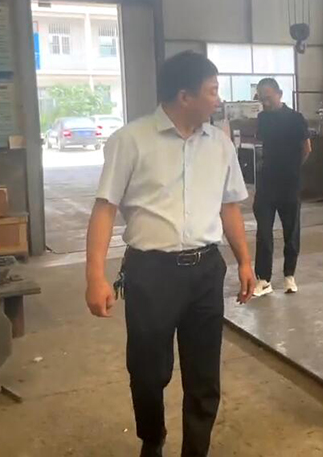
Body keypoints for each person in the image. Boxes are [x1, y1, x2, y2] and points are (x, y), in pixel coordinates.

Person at [85, 51, 255, 457]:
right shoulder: (130, 140)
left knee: (204, 375)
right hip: (151, 273)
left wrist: (245, 262)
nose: (218, 99)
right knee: (147, 371)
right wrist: (95, 276)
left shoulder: (220, 145)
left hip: (205, 271)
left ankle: (196, 450)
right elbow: (105, 209)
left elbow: (230, 207)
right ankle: (153, 438)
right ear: (185, 96)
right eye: (212, 91)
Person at [252, 77, 311, 297]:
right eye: (262, 99)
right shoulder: (262, 119)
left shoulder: (296, 119)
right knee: (263, 233)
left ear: (279, 94)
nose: (265, 103)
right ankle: (263, 279)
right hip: (266, 184)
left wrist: (292, 169)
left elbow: (307, 149)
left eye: (268, 98)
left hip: (289, 184)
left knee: (291, 231)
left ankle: (289, 275)